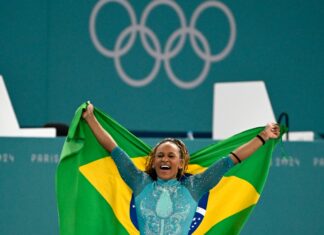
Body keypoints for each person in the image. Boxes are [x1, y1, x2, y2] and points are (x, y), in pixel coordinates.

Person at [82, 102, 280, 235]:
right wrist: (90, 118)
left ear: (181, 163)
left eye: (170, 156)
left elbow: (232, 159)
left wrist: (263, 136)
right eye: (159, 155)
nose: (164, 159)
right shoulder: (139, 181)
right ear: (153, 162)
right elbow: (113, 148)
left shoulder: (195, 185)